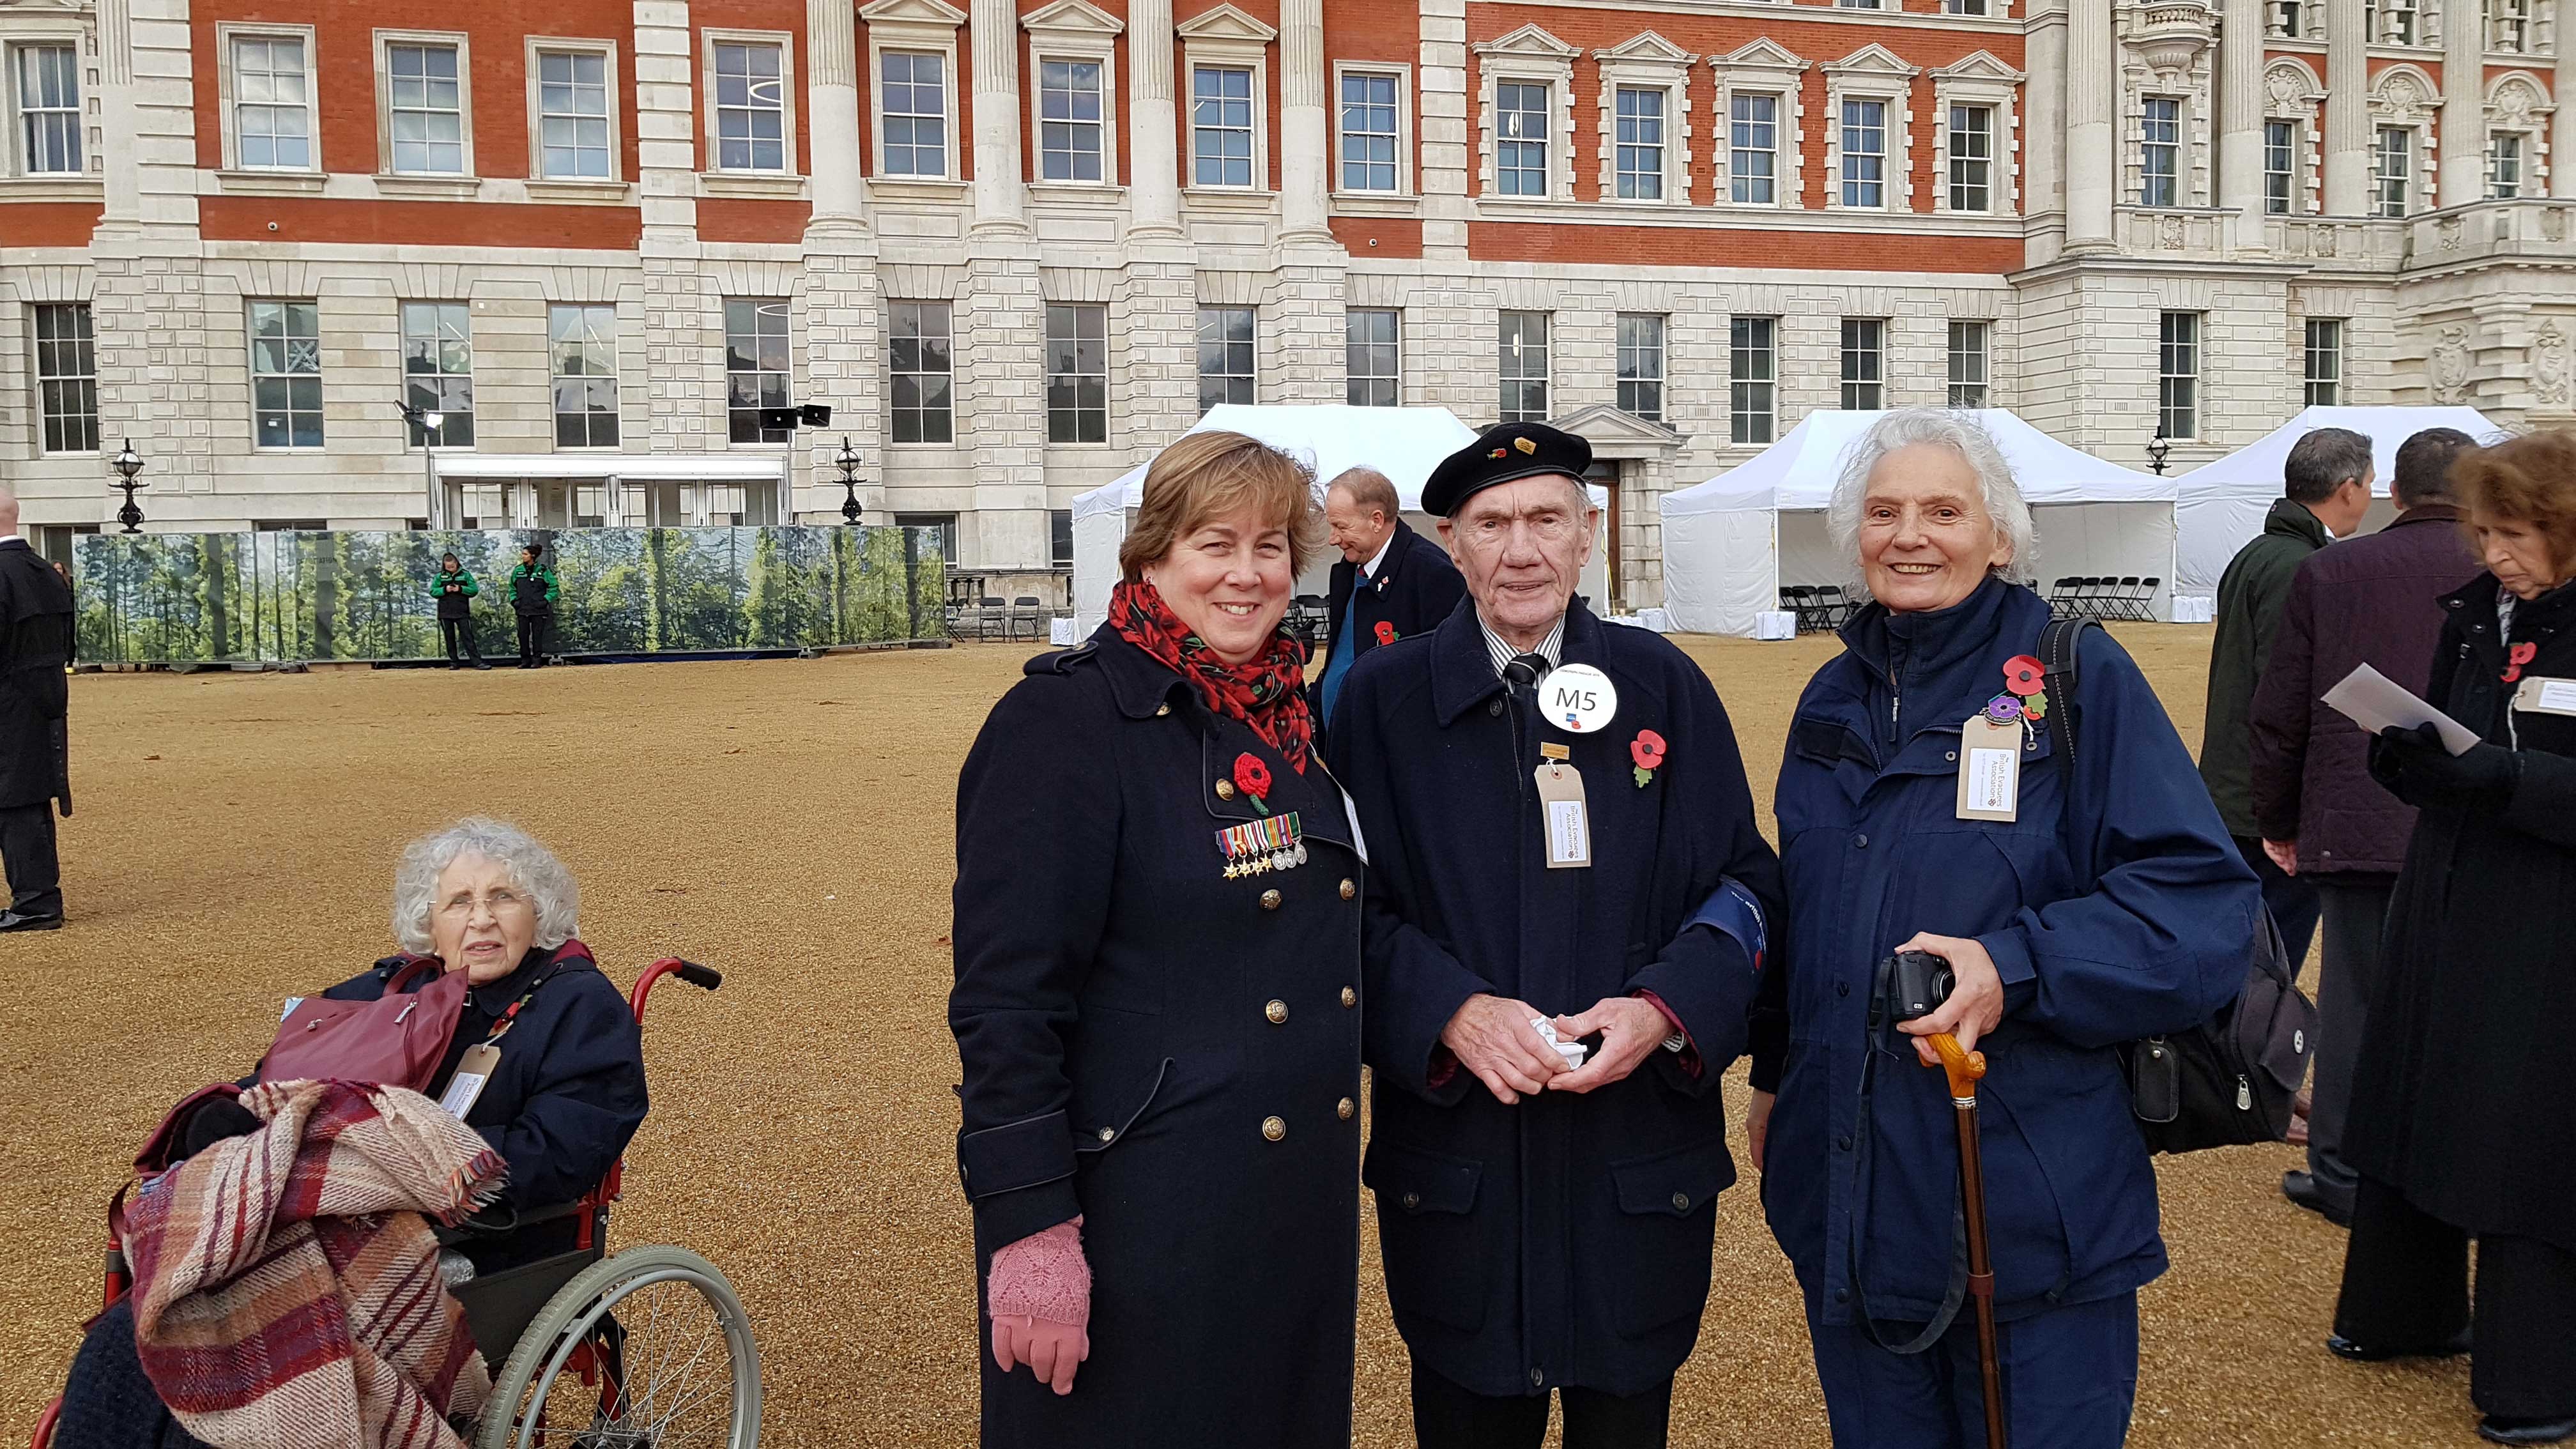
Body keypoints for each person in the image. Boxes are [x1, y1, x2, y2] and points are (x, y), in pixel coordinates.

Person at [1754, 410, 2257, 1448]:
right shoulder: (1827, 694)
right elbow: (1799, 907)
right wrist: (1774, 1075)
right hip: (1852, 1180)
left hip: (2025, 1185)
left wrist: (2012, 962)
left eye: (1944, 510)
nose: (1910, 534)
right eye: (1885, 511)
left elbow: (2197, 900)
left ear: (1999, 535)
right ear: (1854, 534)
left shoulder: (2073, 675)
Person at [1330, 422, 1784, 1449]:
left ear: (1590, 533)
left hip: (1634, 1170)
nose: (1520, 549)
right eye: (1492, 524)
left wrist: (1664, 1009)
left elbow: (1745, 887)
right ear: (1452, 544)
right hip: (1460, 1173)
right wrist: (1447, 1009)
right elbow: (1339, 910)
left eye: (1546, 519)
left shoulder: (1664, 684)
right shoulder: (1381, 703)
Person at [949, 431, 1367, 1448]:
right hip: (1142, 1213)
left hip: (1283, 1209)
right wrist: (1031, 1228)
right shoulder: (1068, 720)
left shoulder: (1284, 712)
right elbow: (1009, 1000)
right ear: (1150, 558)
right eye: (1215, 543)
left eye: (1272, 546)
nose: (1247, 573)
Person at [50, 816, 648, 1448]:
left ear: (541, 912)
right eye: (459, 902)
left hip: (478, 1238)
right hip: (313, 1230)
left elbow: (556, 1156)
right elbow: (280, 1083)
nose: (482, 920)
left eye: (504, 897)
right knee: (132, 1342)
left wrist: (389, 1159)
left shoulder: (579, 1008)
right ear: (431, 924)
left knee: (251, 1365)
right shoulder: (398, 989)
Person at [2331, 431, 2576, 1448]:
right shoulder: (2482, 613)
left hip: (2553, 916)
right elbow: (2455, 729)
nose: (2492, 554)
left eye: (2513, 535)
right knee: (2419, 1086)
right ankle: (2404, 1310)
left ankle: (2539, 1374)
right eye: (2483, 532)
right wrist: (2413, 764)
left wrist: (2508, 782)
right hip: (2451, 888)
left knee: (2527, 1128)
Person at [2248, 427, 2482, 1227]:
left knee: (2353, 1003)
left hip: (2359, 818)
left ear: (2392, 491)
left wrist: (2277, 818)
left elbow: (2279, 712)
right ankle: (2453, 1169)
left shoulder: (2332, 569)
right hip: (2480, 820)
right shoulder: (2506, 569)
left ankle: (2343, 1168)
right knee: (2472, 999)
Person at [2200, 426, 2375, 974]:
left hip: (2239, 786)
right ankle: (2247, 1059)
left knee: (2246, 947)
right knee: (2267, 963)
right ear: (2347, 489)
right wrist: (2285, 809)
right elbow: (2283, 694)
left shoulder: (2260, 553)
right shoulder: (2300, 565)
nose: (2371, 497)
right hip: (2264, 795)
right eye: (2369, 484)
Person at [1314, 466, 1465, 735]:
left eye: (1341, 526)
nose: (1333, 539)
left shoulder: (1434, 575)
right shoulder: (1347, 571)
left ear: (1376, 520)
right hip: (1338, 744)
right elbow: (1341, 654)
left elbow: (1448, 679)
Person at [0, 486, 73, 932]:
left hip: (9, 695)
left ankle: (36, 903)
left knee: (15, 802)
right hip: (43, 694)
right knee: (27, 799)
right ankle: (36, 897)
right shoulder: (46, 572)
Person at [432, 551, 491, 670]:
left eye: (452, 567)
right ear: (444, 566)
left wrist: (460, 589)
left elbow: (474, 590)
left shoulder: (466, 574)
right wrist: (445, 589)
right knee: (449, 638)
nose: (450, 569)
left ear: (457, 563)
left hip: (462, 612)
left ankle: (477, 662)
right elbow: (433, 591)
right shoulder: (439, 576)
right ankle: (454, 662)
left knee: (467, 637)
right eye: (448, 567)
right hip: (445, 612)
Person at [508, 542, 560, 669]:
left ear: (532, 556)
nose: (523, 556)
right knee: (523, 636)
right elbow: (511, 588)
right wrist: (514, 601)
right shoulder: (518, 570)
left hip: (539, 610)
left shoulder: (543, 571)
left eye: (525, 554)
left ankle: (537, 660)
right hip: (522, 609)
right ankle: (525, 660)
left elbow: (554, 587)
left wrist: (546, 600)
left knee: (538, 636)